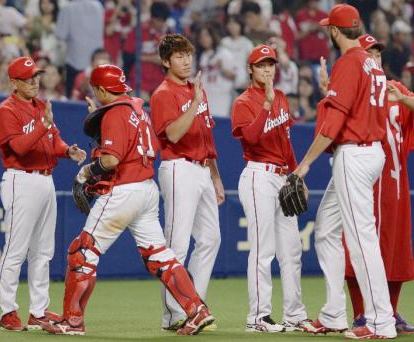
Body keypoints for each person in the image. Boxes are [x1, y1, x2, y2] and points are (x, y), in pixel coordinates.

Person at [41, 64, 215, 336]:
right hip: (146, 191)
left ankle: (72, 321)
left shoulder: (115, 113)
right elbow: (143, 146)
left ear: (100, 90)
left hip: (123, 191)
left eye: (96, 90)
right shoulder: (137, 110)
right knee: (160, 256)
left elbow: (111, 159)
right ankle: (196, 309)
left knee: (82, 252)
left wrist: (86, 171)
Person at [292, 4, 397, 339]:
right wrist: (330, 94)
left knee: (361, 239)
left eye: (329, 28)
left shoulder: (349, 62)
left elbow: (334, 124)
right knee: (325, 230)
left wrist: (305, 163)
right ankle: (335, 313)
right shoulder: (370, 61)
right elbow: (355, 107)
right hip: (370, 152)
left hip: (356, 155)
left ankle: (381, 322)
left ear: (334, 31)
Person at [0, 56, 86, 331]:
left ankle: (38, 311)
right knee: (15, 249)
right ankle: (8, 311)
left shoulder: (40, 106)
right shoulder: (5, 110)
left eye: (36, 76)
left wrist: (67, 150)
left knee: (43, 252)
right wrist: (43, 126)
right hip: (20, 179)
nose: (34, 81)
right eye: (28, 78)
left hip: (46, 180)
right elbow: (20, 147)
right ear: (14, 83)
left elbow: (53, 139)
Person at [336, 34, 414, 335]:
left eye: (378, 54)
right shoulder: (355, 88)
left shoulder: (394, 89)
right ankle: (362, 313)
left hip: (396, 184)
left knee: (396, 248)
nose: (375, 58)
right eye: (369, 53)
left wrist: (402, 98)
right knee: (360, 246)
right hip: (366, 179)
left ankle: (389, 313)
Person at [230, 44, 309, 333]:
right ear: (250, 69)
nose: (267, 69)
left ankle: (295, 315)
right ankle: (258, 317)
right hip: (258, 177)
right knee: (263, 249)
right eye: (261, 65)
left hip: (281, 176)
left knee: (291, 251)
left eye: (270, 64)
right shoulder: (243, 101)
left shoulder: (282, 99)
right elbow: (250, 139)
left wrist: (297, 175)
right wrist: (265, 105)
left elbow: (285, 141)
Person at [149, 33, 223, 331]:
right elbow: (175, 134)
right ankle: (173, 313)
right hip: (178, 167)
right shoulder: (163, 93)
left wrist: (216, 177)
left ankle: (194, 304)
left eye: (188, 54)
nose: (186, 60)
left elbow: (206, 134)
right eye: (179, 56)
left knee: (210, 239)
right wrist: (194, 103)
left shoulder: (196, 89)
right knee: (177, 244)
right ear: (166, 61)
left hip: (203, 168)